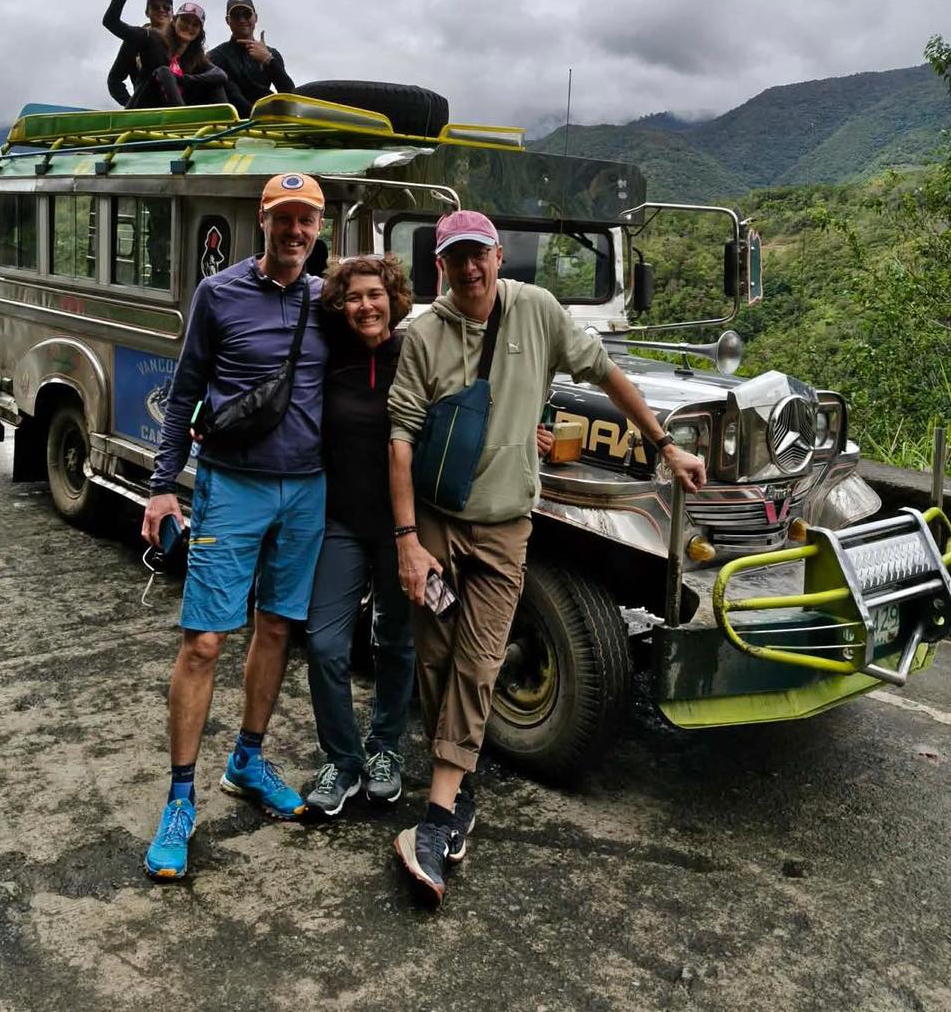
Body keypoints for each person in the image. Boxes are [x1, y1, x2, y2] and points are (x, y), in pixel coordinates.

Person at [386, 209, 708, 907]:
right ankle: (458, 778)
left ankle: (438, 815)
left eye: (479, 255)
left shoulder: (538, 312)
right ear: (439, 266)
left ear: (499, 257)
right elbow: (402, 439)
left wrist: (664, 444)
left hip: (505, 529)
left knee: (479, 660)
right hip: (439, 525)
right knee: (437, 657)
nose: (469, 269)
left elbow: (605, 374)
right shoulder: (424, 336)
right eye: (455, 259)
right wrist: (408, 542)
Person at [140, 172, 329, 881]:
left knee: (277, 627)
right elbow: (185, 390)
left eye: (305, 219)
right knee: (205, 641)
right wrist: (163, 489)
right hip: (231, 487)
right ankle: (180, 800)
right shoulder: (218, 294)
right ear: (263, 221)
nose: (294, 231)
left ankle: (248, 760)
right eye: (283, 219)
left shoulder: (327, 297)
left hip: (308, 490)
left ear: (318, 226)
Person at [302, 255, 416, 817]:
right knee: (325, 644)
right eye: (353, 297)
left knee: (395, 640)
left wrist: (529, 432)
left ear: (394, 297)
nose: (366, 305)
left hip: (402, 529)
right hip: (339, 521)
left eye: (375, 294)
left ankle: (387, 749)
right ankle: (343, 759)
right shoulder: (331, 356)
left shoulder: (415, 355)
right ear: (339, 306)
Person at [101, 0, 228, 108]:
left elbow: (220, 74)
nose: (189, 27)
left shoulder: (193, 55)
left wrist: (184, 79)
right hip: (146, 106)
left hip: (173, 103)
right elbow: (110, 22)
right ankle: (180, 118)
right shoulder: (148, 37)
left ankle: (224, 123)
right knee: (164, 72)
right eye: (155, 7)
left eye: (166, 7)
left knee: (214, 83)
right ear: (175, 21)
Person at [207, 0, 295, 116]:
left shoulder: (272, 54)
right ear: (228, 21)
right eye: (236, 15)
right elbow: (232, 96)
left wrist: (269, 60)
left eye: (247, 14)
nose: (242, 20)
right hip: (239, 124)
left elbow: (290, 93)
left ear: (255, 17)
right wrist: (259, 118)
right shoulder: (217, 56)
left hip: (269, 121)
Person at [106, 0, 174, 107]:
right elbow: (114, 80)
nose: (161, 10)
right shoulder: (136, 39)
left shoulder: (182, 39)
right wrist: (131, 105)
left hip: (179, 108)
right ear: (147, 13)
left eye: (166, 7)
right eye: (155, 7)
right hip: (148, 111)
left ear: (172, 13)